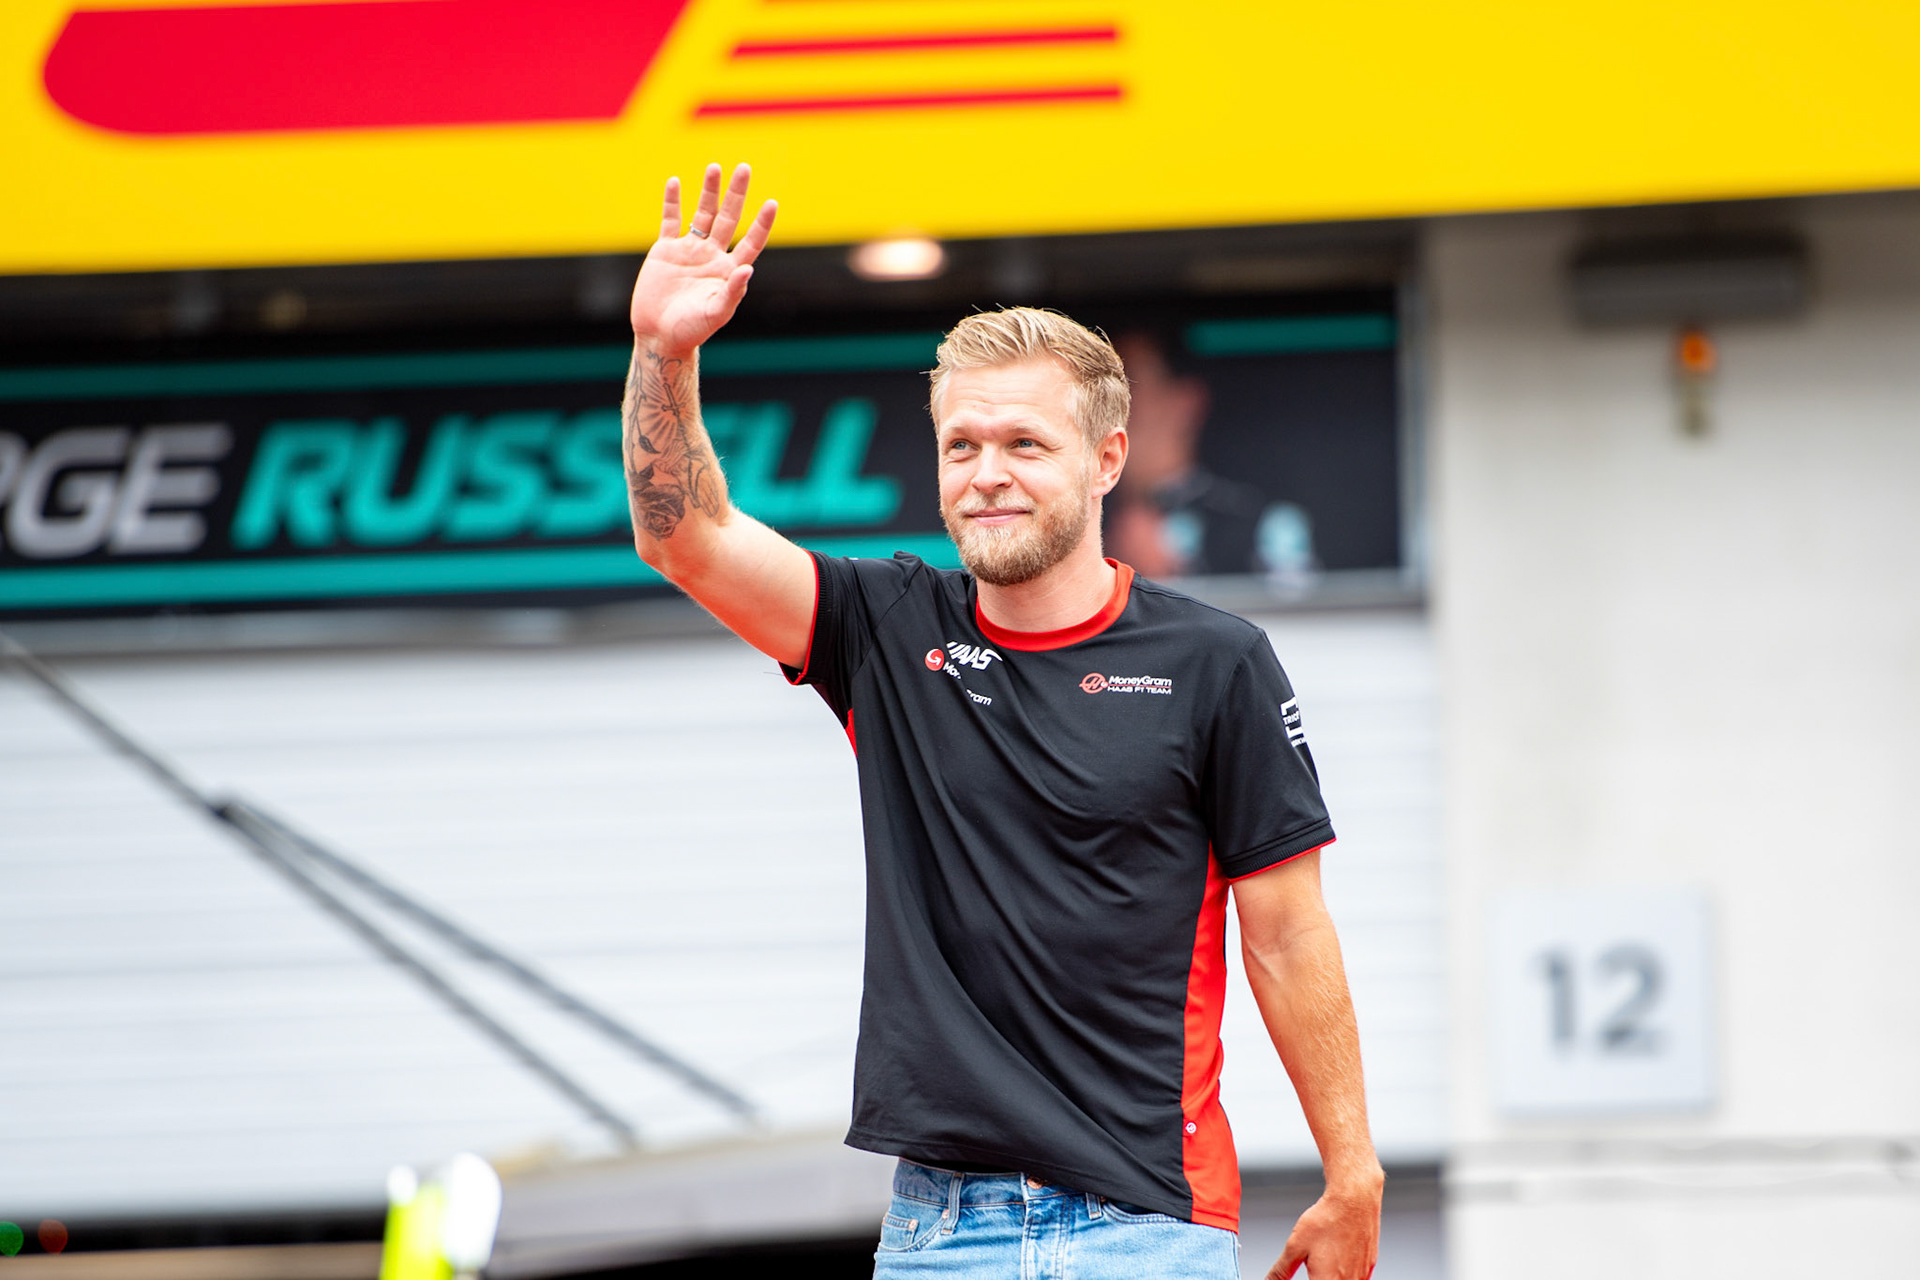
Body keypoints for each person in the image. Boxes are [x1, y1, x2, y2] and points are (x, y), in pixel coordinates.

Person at [622, 162, 1382, 1280]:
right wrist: (664, 353)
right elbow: (681, 533)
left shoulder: (1215, 661)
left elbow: (1286, 930)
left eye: (1025, 444)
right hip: (936, 1233)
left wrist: (1353, 1168)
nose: (987, 474)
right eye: (961, 445)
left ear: (1105, 459)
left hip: (1144, 1222)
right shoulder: (883, 628)